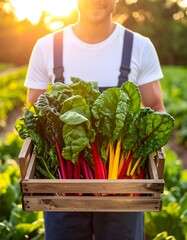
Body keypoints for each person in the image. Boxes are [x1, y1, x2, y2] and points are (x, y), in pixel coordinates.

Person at [24, 0, 166, 239]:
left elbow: (156, 108)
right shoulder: (46, 46)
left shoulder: (139, 46)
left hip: (123, 193)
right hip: (63, 192)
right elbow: (32, 112)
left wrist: (139, 136)